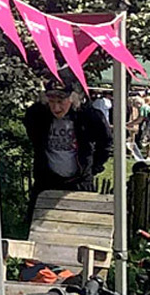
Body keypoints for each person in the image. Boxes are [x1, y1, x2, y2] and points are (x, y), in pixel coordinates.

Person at [23, 77, 113, 208]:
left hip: (79, 182)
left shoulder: (88, 117)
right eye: (51, 101)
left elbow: (105, 143)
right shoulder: (38, 115)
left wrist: (92, 168)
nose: (56, 107)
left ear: (72, 98)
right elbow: (32, 132)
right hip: (47, 181)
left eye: (61, 102)